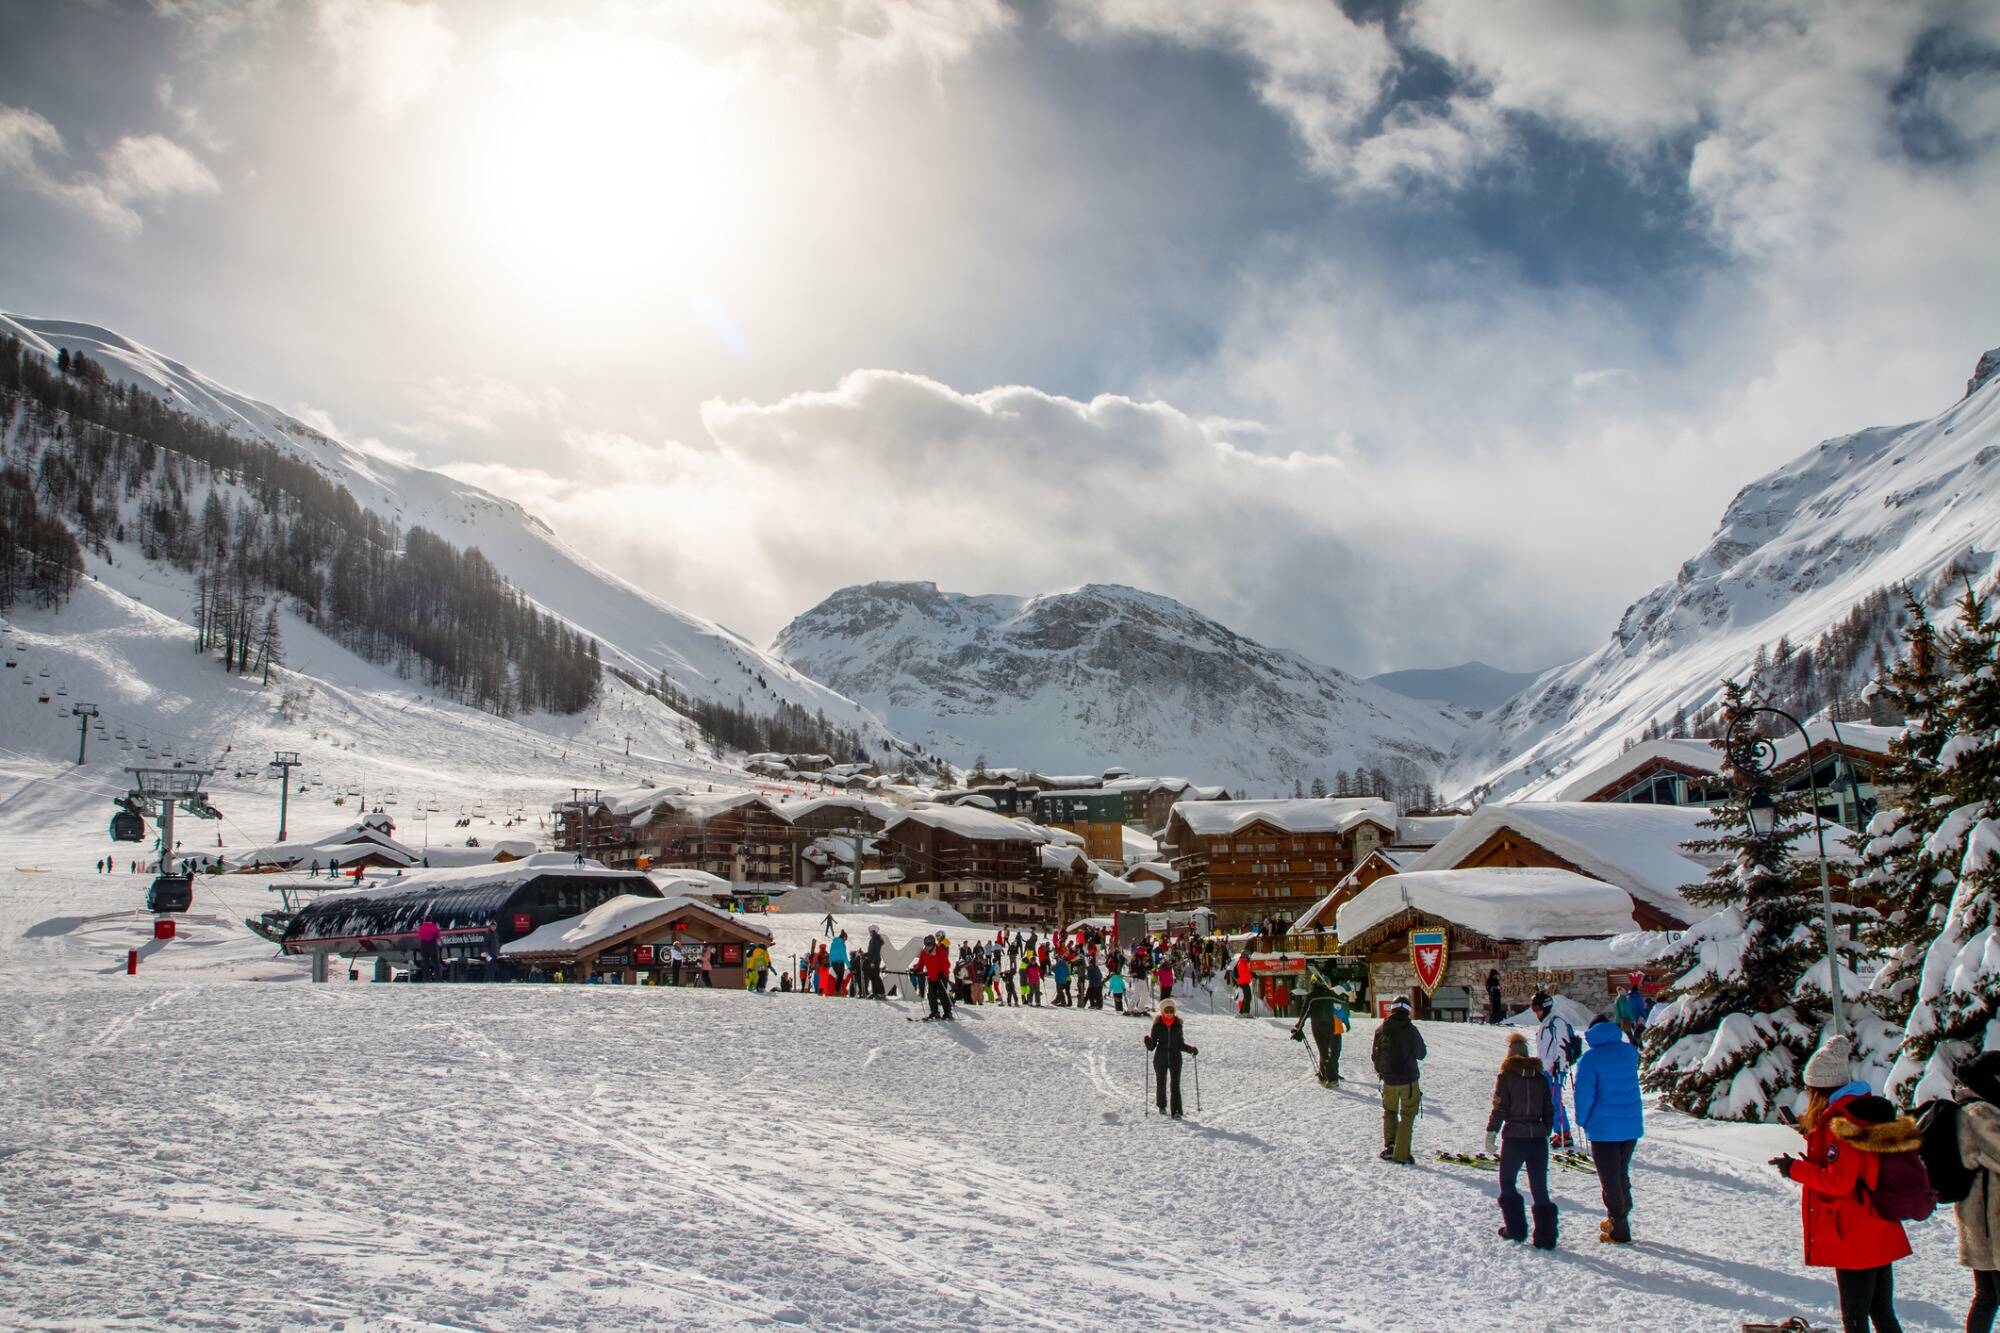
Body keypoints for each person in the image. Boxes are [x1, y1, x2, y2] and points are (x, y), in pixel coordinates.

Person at [1773, 1034, 1914, 1333]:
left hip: (1854, 1232)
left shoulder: (1843, 1123)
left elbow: (1839, 1182)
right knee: (1881, 1311)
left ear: (1821, 1090)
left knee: (1854, 1317)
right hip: (1876, 1225)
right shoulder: (1862, 1111)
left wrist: (1793, 1168)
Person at [1573, 1014, 1644, 1243]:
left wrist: (1582, 1120)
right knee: (1621, 1172)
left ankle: (1619, 1226)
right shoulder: (1628, 1052)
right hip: (1630, 1126)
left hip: (1604, 1129)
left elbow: (1584, 1096)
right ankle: (1619, 1213)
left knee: (1610, 1179)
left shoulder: (1590, 1059)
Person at [1485, 1029, 1558, 1248]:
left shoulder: (1506, 1077)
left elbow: (1500, 1108)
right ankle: (1546, 1238)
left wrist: (1491, 1132)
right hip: (1537, 1139)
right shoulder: (1541, 1078)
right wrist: (1544, 1130)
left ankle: (1515, 1229)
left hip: (1514, 1138)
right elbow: (1549, 1109)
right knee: (1539, 1187)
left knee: (1507, 1182)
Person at [1952, 1051, 2000, 1333]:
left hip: (1986, 1218)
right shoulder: (1979, 1112)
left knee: (1987, 1295)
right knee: (1987, 1295)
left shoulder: (1984, 1108)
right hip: (1989, 1223)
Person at [1372, 996, 1427, 1164]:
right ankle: (1401, 1153)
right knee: (1408, 1115)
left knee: (1389, 1112)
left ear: (1393, 1009)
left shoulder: (1381, 1029)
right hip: (1408, 1080)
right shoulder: (1411, 1030)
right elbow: (1421, 1054)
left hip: (1388, 1080)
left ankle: (1390, 1146)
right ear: (1408, 1010)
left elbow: (1374, 1056)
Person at [1531, 992, 1577, 1149]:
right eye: (1533, 1008)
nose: (1535, 1012)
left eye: (1537, 1008)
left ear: (1546, 1006)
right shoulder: (1545, 1023)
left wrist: (1558, 1065)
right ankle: (1557, 1131)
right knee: (1548, 1102)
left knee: (1555, 1101)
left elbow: (1562, 1045)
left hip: (1554, 1070)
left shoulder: (1557, 1022)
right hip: (1545, 1069)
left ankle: (1564, 1133)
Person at [1144, 998, 1198, 1117]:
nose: (1169, 1013)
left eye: (1171, 1010)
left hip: (1175, 1059)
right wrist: (1148, 1042)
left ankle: (1177, 1110)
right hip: (1160, 1059)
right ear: (1162, 1012)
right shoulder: (1157, 1026)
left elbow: (1180, 1044)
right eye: (1167, 1010)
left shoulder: (1178, 1026)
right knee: (1161, 1083)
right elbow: (1152, 1046)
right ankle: (1162, 1106)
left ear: (1174, 1011)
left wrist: (1191, 1049)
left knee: (1175, 1085)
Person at [1290, 979, 1348, 1087]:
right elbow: (1342, 1002)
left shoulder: (1311, 996)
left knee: (1324, 1052)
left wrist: (1298, 1027)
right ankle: (1322, 1076)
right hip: (1330, 1026)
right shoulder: (1330, 994)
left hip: (1318, 1027)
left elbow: (1305, 1013)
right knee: (1325, 1050)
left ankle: (1332, 1079)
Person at [1612, 975, 1651, 1045]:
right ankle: (1638, 1046)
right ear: (1637, 990)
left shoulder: (1624, 998)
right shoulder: (1637, 998)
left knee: (1631, 1033)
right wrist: (1644, 1016)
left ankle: (1637, 1045)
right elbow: (1640, 1008)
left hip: (1623, 1019)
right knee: (1636, 1033)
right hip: (1634, 1018)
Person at [864, 925, 886, 999]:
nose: (869, 932)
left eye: (870, 931)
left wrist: (873, 961)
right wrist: (863, 954)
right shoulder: (873, 939)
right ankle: (875, 992)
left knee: (876, 976)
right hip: (871, 961)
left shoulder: (877, 940)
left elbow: (876, 952)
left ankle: (881, 993)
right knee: (872, 977)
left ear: (874, 931)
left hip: (875, 961)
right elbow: (871, 952)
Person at [1234, 950, 1254, 1015]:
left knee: (1247, 997)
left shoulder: (1244, 962)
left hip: (1245, 981)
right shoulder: (1241, 962)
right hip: (1243, 982)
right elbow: (1242, 973)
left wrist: (1252, 974)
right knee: (1248, 997)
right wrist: (1251, 974)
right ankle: (1245, 1012)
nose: (1249, 957)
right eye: (1248, 956)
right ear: (1244, 955)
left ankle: (1242, 1012)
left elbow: (1247, 972)